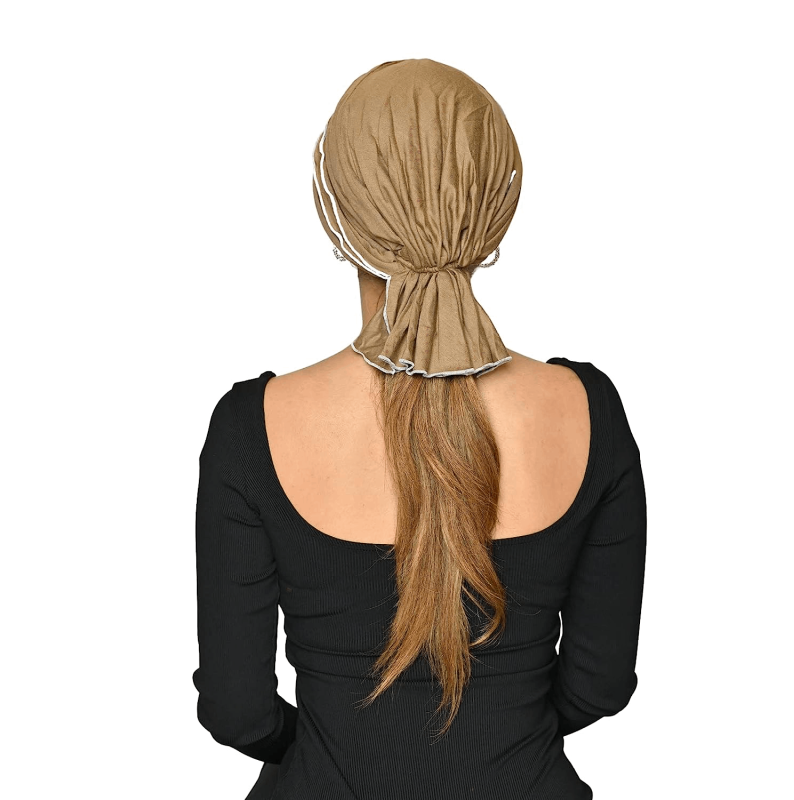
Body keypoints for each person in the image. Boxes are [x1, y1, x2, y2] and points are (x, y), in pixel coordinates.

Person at [192, 58, 647, 800]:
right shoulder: (586, 408)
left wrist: (323, 749)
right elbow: (599, 684)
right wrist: (503, 740)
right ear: (494, 204)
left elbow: (237, 710)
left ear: (340, 214)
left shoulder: (253, 426)